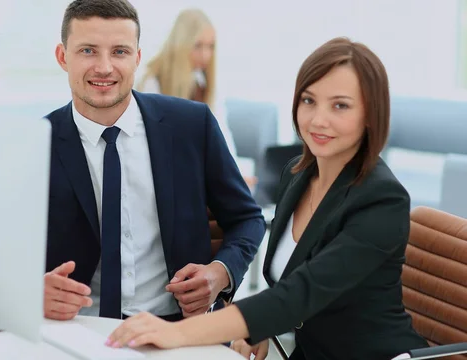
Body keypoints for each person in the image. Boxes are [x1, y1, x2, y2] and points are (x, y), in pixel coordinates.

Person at [106, 37, 430, 360]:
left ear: (371, 115)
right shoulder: (298, 174)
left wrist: (173, 332)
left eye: (340, 105)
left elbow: (300, 294)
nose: (318, 119)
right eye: (308, 100)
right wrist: (260, 325)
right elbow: (288, 283)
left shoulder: (382, 200)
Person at [43, 0, 266, 324]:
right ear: (63, 57)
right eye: (88, 51)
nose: (104, 67)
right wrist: (33, 291)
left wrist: (220, 274)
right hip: (75, 328)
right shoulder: (37, 140)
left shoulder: (192, 125)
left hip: (177, 327)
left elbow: (248, 219)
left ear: (137, 57)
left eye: (119, 51)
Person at [137, 9, 238, 159]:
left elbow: (222, 130)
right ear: (182, 44)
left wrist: (235, 172)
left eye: (210, 46)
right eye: (198, 46)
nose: (206, 55)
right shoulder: (153, 83)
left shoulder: (203, 83)